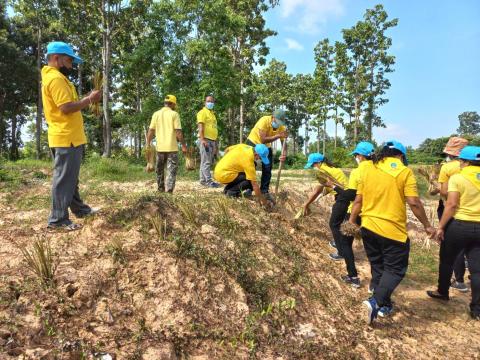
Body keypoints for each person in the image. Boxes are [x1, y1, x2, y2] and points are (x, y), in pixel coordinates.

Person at [349, 140, 434, 324]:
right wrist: (427, 225)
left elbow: (358, 200)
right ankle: (375, 301)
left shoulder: (368, 169)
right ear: (401, 156)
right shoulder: (404, 172)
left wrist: (352, 221)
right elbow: (413, 202)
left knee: (378, 266)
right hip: (392, 231)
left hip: (368, 227)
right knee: (395, 269)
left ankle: (383, 304)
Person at [42, 41, 102, 231]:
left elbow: (69, 103)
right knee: (64, 179)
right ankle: (58, 220)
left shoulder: (56, 78)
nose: (71, 63)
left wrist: (86, 99)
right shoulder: (56, 79)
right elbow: (66, 108)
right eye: (69, 59)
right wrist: (89, 99)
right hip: (66, 136)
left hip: (68, 136)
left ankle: (80, 209)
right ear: (56, 58)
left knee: (70, 177)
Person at [427, 146, 480, 320]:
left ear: (463, 161)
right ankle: (476, 308)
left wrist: (441, 227)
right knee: (477, 269)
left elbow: (451, 205)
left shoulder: (458, 177)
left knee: (447, 259)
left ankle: (443, 291)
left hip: (459, 224)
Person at [325, 142, 375, 289]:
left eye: (355, 155)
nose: (355, 158)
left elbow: (352, 195)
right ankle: (375, 285)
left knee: (345, 243)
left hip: (357, 212)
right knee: (372, 250)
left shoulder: (357, 172)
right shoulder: (379, 170)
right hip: (373, 214)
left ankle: (353, 276)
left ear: (360, 156)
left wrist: (334, 187)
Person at [435, 136, 470, 292]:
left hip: (450, 209)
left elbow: (444, 192)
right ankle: (462, 279)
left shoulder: (447, 168)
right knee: (468, 247)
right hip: (471, 212)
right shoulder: (471, 167)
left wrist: (435, 184)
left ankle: (448, 286)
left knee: (450, 247)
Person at [302, 152, 348, 254]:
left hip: (343, 198)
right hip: (346, 196)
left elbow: (317, 190)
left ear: (319, 163)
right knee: (339, 222)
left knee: (333, 224)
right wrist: (323, 194)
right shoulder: (331, 168)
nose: (313, 167)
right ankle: (339, 242)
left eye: (313, 165)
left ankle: (341, 252)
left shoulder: (322, 171)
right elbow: (329, 186)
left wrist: (306, 204)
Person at [146, 95, 187, 193]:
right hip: (172, 148)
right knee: (171, 170)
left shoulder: (156, 114)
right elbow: (178, 131)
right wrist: (184, 145)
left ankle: (160, 189)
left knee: (159, 170)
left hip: (160, 148)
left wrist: (148, 143)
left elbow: (151, 130)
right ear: (173, 104)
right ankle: (169, 191)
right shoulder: (174, 114)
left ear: (165, 103)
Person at [245, 109, 288, 200]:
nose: (279, 124)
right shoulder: (264, 120)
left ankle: (264, 190)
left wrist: (284, 154)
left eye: (281, 122)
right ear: (273, 117)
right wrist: (277, 136)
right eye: (277, 121)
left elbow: (283, 142)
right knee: (250, 165)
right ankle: (248, 188)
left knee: (267, 167)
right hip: (253, 142)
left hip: (266, 146)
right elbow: (263, 139)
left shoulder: (282, 127)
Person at [213, 143, 271, 208]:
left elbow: (227, 149)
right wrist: (264, 202)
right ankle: (231, 192)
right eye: (260, 158)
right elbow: (254, 185)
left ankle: (226, 190)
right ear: (256, 154)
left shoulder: (244, 146)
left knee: (250, 170)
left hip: (218, 170)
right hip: (223, 176)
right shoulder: (248, 160)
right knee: (249, 182)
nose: (258, 159)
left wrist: (226, 162)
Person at [197, 95, 220, 188]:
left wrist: (215, 142)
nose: (210, 103)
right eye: (208, 101)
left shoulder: (212, 114)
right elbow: (201, 127)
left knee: (205, 161)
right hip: (205, 139)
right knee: (206, 162)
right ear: (205, 102)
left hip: (212, 140)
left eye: (212, 101)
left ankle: (203, 180)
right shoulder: (202, 113)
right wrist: (202, 139)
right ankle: (208, 181)